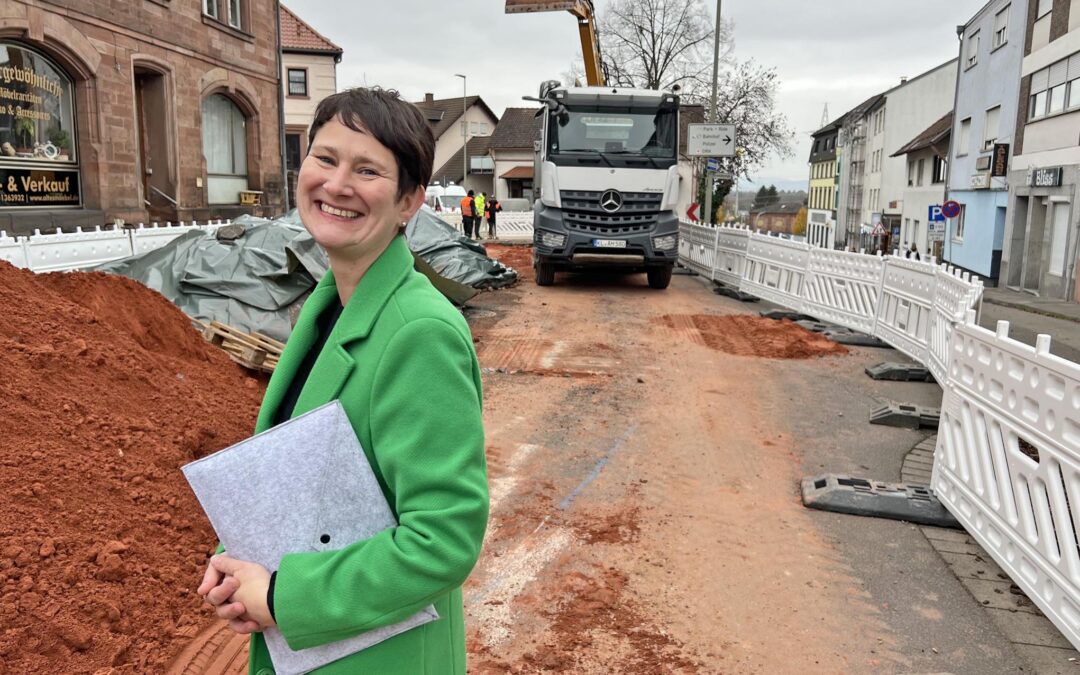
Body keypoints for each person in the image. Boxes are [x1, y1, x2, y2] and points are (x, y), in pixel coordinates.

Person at [197, 87, 489, 674]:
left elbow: (442, 542)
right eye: (325, 159)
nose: (336, 184)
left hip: (384, 658)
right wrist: (242, 563)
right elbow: (312, 480)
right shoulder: (328, 304)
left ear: (410, 201)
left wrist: (282, 596)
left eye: (367, 170)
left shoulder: (418, 331)